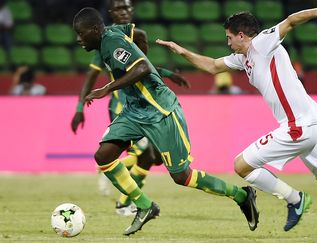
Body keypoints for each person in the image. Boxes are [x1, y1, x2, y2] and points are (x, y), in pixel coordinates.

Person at [156, 8, 317, 240]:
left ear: (242, 35)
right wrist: (181, 51)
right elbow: (212, 66)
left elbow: (291, 21)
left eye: (230, 37)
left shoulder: (263, 43)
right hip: (315, 119)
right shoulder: (243, 59)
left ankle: (294, 199)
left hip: (300, 125)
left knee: (242, 165)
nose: (228, 42)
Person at [72, 7, 259, 236]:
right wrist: (144, 57)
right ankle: (144, 206)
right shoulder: (111, 35)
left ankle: (242, 196)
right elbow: (139, 34)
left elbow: (140, 67)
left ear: (94, 30)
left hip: (160, 110)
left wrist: (108, 87)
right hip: (134, 110)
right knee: (104, 156)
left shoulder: (111, 43)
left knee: (182, 176)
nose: (78, 39)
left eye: (81, 34)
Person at [71, 0, 190, 216]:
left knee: (151, 158)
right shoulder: (102, 42)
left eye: (126, 7)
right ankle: (124, 200)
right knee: (145, 154)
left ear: (132, 10)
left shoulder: (127, 37)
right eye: (118, 8)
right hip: (123, 107)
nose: (123, 12)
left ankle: (127, 198)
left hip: (144, 107)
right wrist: (80, 107)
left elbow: (143, 66)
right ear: (111, 14)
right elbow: (91, 78)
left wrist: (171, 75)